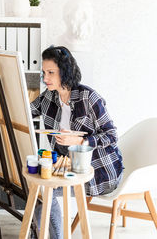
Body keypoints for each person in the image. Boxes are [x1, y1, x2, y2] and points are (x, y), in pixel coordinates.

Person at [30, 45, 123, 239]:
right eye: (44, 72)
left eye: (51, 73)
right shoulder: (48, 97)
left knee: (43, 193)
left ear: (65, 71)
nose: (45, 78)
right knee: (38, 193)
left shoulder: (89, 98)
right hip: (69, 168)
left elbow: (112, 135)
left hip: (99, 172)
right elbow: (24, 111)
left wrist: (80, 140)